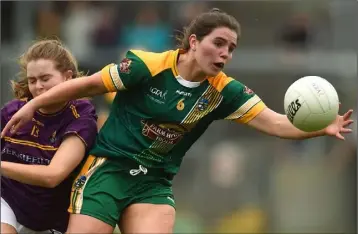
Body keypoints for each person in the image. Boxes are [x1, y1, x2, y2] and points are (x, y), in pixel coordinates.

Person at [1, 9, 353, 234]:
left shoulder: (225, 92)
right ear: (195, 42)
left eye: (232, 48)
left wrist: (318, 127)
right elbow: (87, 84)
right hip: (106, 172)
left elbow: (276, 123)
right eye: (219, 43)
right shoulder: (146, 65)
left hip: (153, 183)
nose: (226, 54)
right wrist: (35, 105)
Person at [1, 39, 98, 234]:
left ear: (67, 77)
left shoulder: (81, 119)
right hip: (7, 202)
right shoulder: (12, 112)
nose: (38, 87)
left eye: (45, 79)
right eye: (32, 80)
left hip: (51, 221)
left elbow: (52, 176)